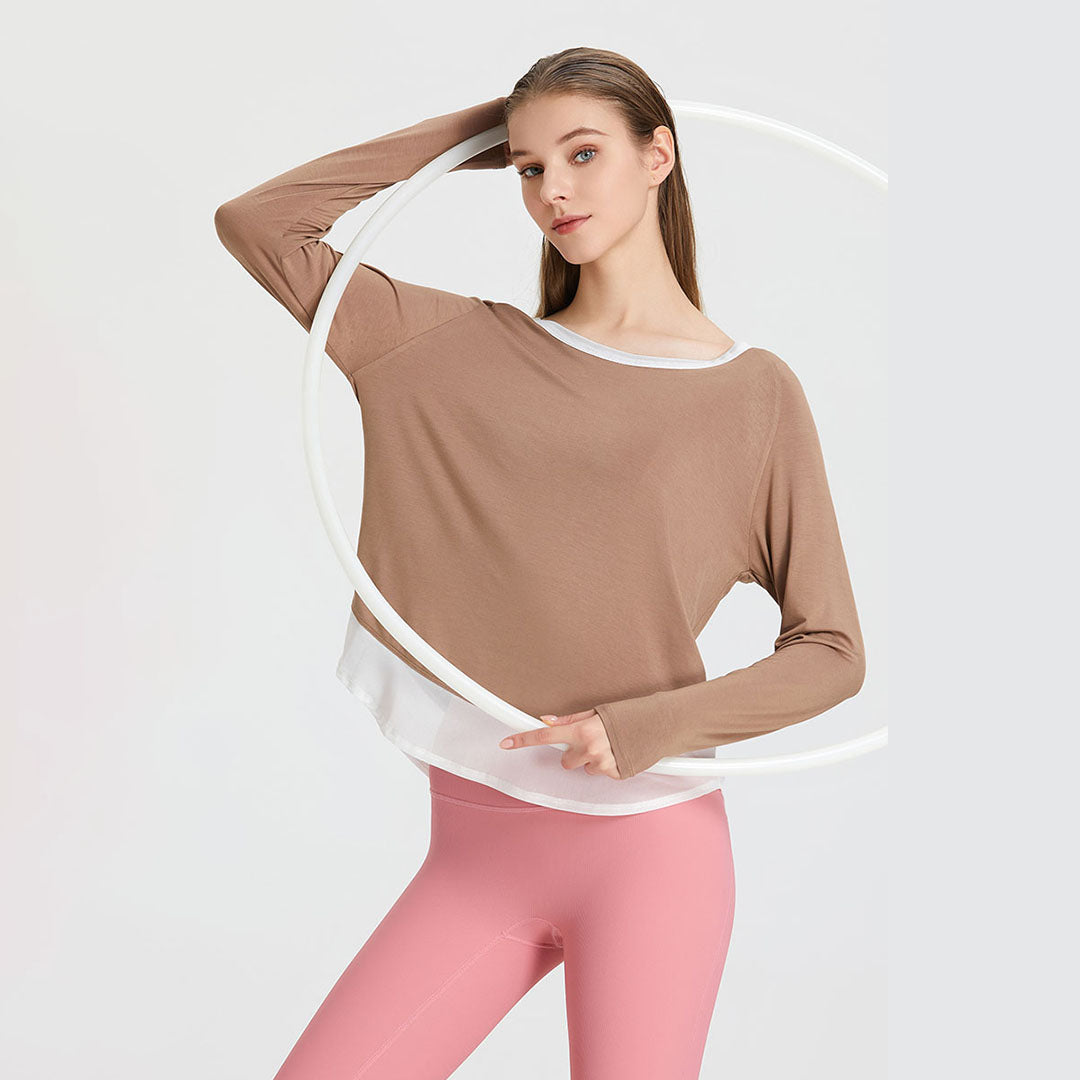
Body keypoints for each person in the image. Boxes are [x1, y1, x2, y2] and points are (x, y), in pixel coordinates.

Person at [214, 46, 866, 1080]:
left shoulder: (751, 396)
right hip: (476, 859)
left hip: (649, 854)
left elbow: (832, 652)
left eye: (583, 153)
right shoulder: (445, 348)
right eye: (528, 167)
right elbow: (260, 225)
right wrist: (474, 135)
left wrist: (643, 727)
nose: (553, 188)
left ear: (659, 155)